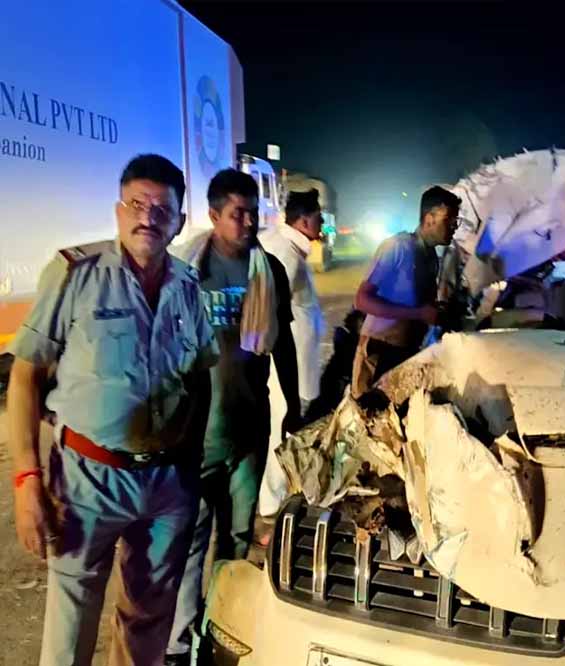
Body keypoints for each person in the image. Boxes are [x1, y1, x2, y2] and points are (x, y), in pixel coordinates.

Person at [5, 154, 219, 666]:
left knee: (148, 623)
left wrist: (191, 466)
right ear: (119, 211)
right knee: (71, 627)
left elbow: (200, 378)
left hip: (167, 484)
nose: (148, 218)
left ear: (179, 222)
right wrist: (27, 480)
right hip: (88, 481)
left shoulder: (188, 287)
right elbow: (25, 375)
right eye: (137, 205)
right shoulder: (74, 274)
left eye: (162, 210)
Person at [167, 169, 299, 664]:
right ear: (213, 215)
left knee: (239, 536)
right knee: (191, 536)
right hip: (195, 432)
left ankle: (218, 626)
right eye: (237, 213)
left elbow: (283, 344)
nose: (247, 222)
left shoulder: (269, 271)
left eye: (252, 213)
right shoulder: (185, 271)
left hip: (249, 426)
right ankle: (180, 641)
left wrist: (294, 406)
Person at [351, 185, 460, 397]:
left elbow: (419, 305)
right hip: (379, 350)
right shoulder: (398, 247)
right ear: (430, 218)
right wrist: (419, 313)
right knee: (371, 412)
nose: (454, 227)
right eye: (450, 220)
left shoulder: (431, 257)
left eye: (457, 221)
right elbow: (362, 300)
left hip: (407, 350)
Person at [257, 188, 325, 517]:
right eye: (318, 217)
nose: (322, 223)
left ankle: (276, 493)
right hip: (285, 367)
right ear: (304, 221)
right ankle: (270, 502)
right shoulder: (283, 252)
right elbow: (270, 313)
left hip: (295, 364)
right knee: (278, 430)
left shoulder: (290, 248)